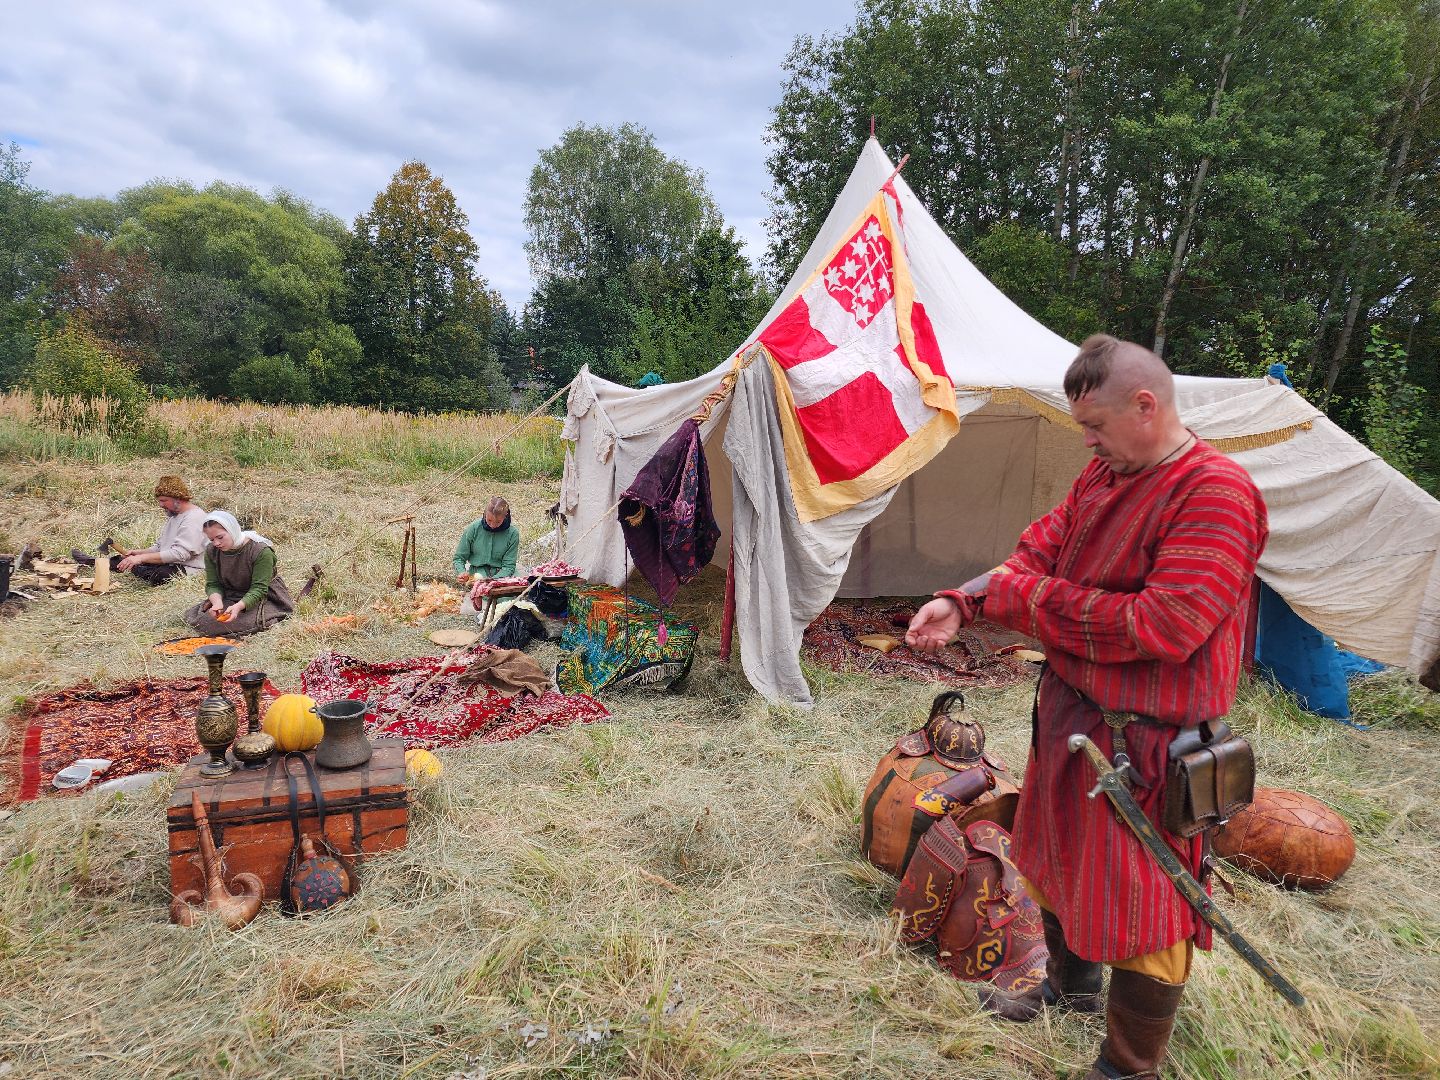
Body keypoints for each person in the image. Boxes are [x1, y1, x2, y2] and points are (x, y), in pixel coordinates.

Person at [907, 335, 1268, 1080]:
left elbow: (1165, 626)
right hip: (1071, 719)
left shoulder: (1216, 493)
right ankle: (1068, 990)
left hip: (1147, 750)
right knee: (1049, 860)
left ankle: (1128, 1065)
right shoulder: (1105, 475)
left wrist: (1024, 601)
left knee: (1150, 909)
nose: (1087, 441)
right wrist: (963, 600)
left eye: (1096, 425)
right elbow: (1036, 550)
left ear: (1147, 404)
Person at [74, 475, 206, 585]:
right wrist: (139, 554)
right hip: (170, 563)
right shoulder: (174, 516)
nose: (161, 505)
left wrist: (141, 559)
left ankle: (135, 567)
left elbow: (180, 554)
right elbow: (160, 548)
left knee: (160, 575)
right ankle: (91, 561)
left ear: (178, 498)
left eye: (164, 500)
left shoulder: (194, 518)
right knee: (132, 559)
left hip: (189, 568)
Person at [183, 510, 294, 636]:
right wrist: (217, 602)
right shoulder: (212, 550)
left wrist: (238, 607)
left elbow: (259, 588)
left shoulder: (260, 551)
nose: (216, 543)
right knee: (205, 622)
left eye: (220, 537)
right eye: (211, 539)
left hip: (263, 597)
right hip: (231, 594)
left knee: (233, 625)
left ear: (232, 530)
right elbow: (213, 583)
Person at [453, 496, 520, 585]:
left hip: (502, 575)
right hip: (478, 573)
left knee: (506, 597)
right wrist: (461, 572)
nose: (492, 525)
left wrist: (493, 581)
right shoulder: (473, 528)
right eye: (489, 520)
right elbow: (459, 558)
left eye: (498, 522)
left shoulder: (512, 534)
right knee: (481, 594)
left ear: (505, 517)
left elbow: (508, 566)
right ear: (485, 514)